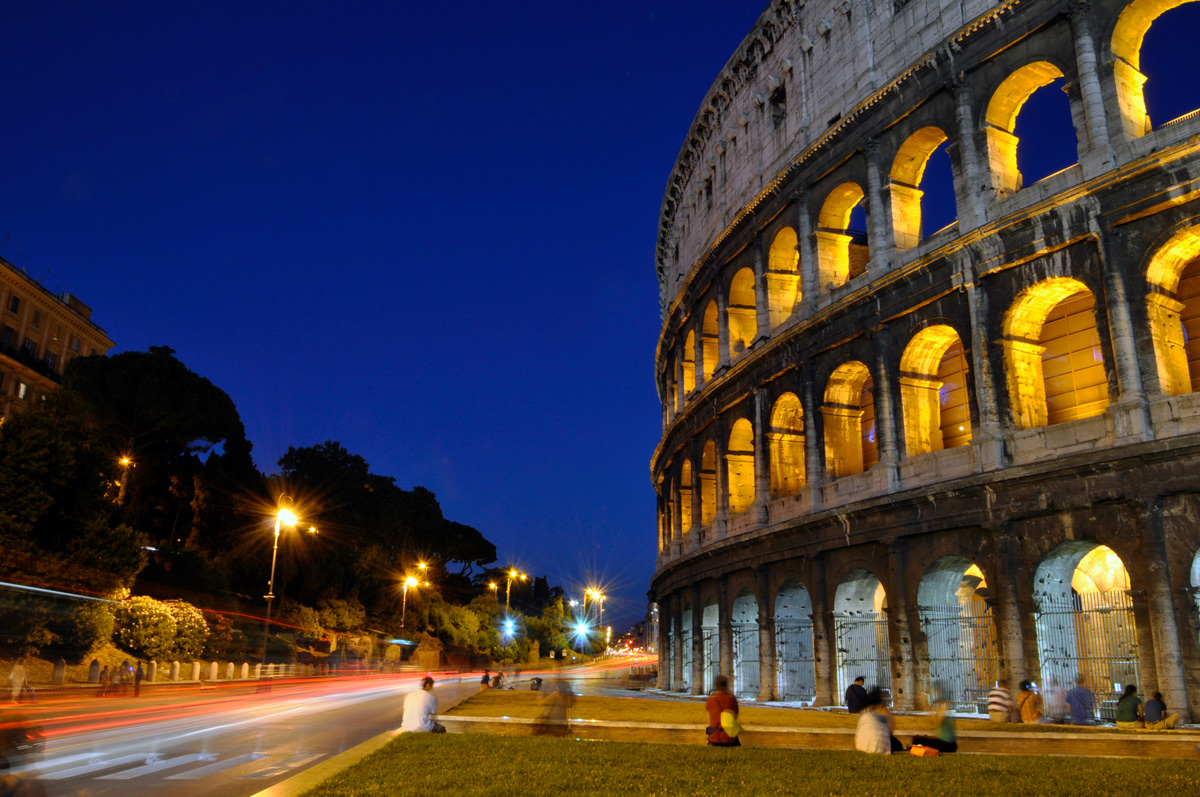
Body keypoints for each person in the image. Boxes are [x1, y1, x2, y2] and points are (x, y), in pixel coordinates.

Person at [854, 688, 902, 754]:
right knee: (897, 743)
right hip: (878, 747)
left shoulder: (863, 712)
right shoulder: (882, 710)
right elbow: (891, 731)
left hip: (861, 747)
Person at [704, 674, 740, 747]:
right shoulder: (732, 698)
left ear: (716, 686)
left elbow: (710, 712)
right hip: (729, 738)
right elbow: (735, 716)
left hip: (714, 737)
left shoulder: (710, 698)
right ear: (726, 686)